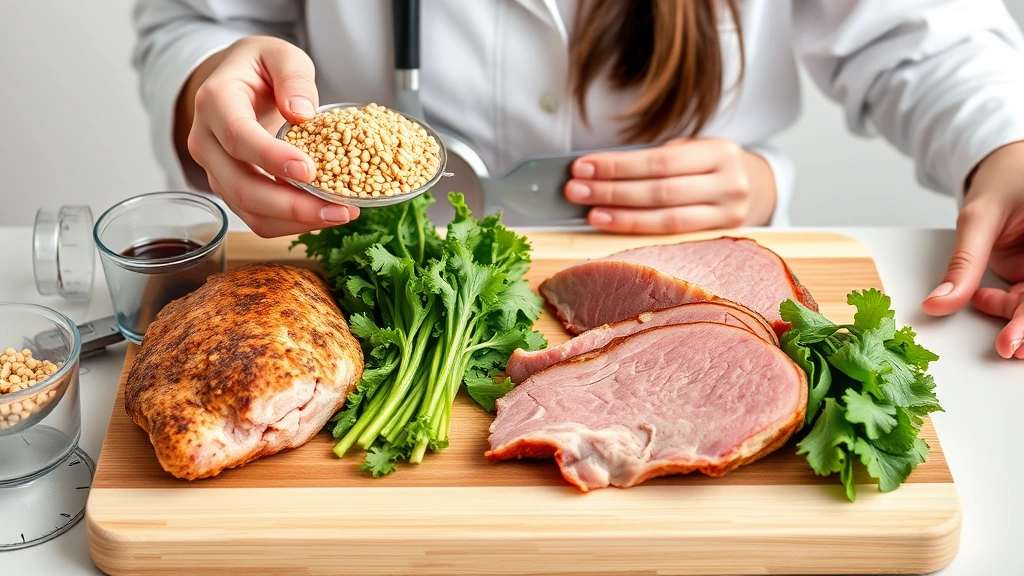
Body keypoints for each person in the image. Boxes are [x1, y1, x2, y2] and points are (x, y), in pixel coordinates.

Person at [132, 0, 1024, 359]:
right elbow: (198, 21)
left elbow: (924, 33)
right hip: (375, 276)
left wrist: (1007, 145)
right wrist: (211, 96)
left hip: (718, 261)